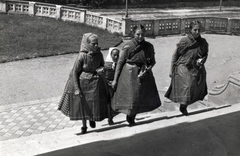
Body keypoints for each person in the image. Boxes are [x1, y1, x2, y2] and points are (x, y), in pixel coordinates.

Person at [58, 33, 109, 134]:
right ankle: (84, 125)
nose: (96, 46)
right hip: (83, 83)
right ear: (87, 44)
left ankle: (92, 118)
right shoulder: (82, 56)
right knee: (84, 105)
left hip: (95, 82)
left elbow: (102, 65)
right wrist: (77, 88)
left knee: (94, 103)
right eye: (93, 44)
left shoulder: (99, 54)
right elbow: (75, 72)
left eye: (97, 43)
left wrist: (102, 69)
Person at [111, 25, 161, 126]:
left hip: (144, 73)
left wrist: (147, 69)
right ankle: (129, 116)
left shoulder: (149, 47)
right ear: (133, 34)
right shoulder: (127, 46)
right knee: (131, 96)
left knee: (140, 96)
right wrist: (115, 80)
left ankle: (132, 116)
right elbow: (120, 63)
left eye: (142, 34)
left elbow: (153, 61)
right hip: (129, 73)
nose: (140, 37)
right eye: (138, 34)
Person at [165, 20, 209, 115]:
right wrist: (171, 70)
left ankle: (184, 105)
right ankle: (183, 106)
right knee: (188, 85)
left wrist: (202, 60)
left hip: (196, 67)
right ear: (190, 30)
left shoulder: (203, 42)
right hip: (183, 66)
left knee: (197, 86)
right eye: (195, 30)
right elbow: (175, 56)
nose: (197, 32)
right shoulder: (184, 41)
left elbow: (205, 54)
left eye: (199, 30)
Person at [104, 48, 120, 125]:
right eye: (114, 55)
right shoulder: (107, 65)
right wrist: (109, 82)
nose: (116, 57)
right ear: (111, 55)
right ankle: (110, 118)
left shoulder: (119, 64)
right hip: (108, 85)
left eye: (117, 55)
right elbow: (104, 76)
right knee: (109, 101)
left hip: (117, 84)